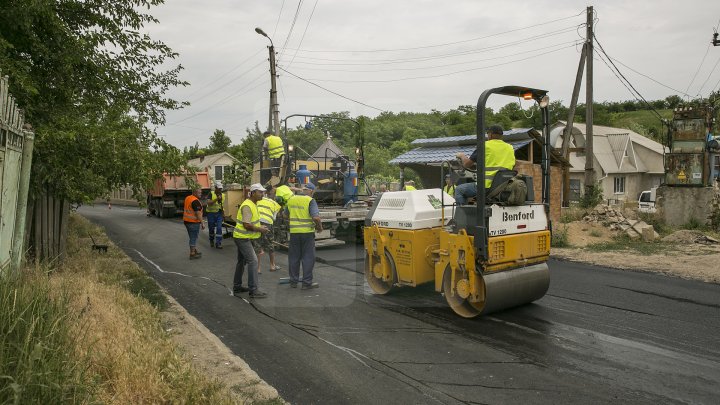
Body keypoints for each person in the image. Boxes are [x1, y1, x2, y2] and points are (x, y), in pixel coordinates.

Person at [454, 124, 515, 205]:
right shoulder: (510, 148)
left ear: (490, 134)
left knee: (459, 190)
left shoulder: (484, 146)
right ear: (501, 135)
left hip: (486, 187)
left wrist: (461, 156)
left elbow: (466, 164)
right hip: (504, 186)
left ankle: (463, 216)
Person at [232, 183, 269, 298]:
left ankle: (237, 286)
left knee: (241, 262)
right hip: (243, 238)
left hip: (243, 237)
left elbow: (251, 223)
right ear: (253, 193)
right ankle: (253, 290)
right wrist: (260, 229)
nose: (263, 194)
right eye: (260, 192)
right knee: (253, 261)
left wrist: (259, 227)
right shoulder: (247, 205)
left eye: (263, 192)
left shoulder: (253, 203)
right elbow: (247, 225)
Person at [286, 182, 322, 289]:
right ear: (310, 191)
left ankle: (293, 282)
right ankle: (306, 283)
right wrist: (319, 227)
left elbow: (284, 215)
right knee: (308, 258)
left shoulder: (291, 199)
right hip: (307, 233)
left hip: (294, 233)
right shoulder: (310, 200)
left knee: (294, 257)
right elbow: (316, 217)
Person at [256, 185, 282, 273]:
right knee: (270, 245)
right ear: (271, 193)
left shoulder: (259, 200)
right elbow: (274, 218)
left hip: (257, 223)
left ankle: (258, 268)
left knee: (258, 245)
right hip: (267, 224)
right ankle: (272, 266)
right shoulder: (275, 204)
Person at [183, 187, 205, 259]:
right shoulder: (195, 201)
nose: (201, 194)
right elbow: (198, 213)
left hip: (187, 221)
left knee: (192, 236)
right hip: (193, 222)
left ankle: (194, 250)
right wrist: (202, 223)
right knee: (193, 237)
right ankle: (192, 253)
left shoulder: (188, 198)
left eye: (201, 192)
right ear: (195, 193)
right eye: (199, 193)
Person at [206, 181, 225, 249]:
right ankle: (211, 239)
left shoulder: (223, 195)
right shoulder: (210, 193)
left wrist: (223, 214)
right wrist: (216, 199)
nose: (220, 190)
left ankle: (218, 243)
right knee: (211, 228)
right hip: (211, 213)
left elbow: (222, 205)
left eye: (221, 189)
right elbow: (208, 203)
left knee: (219, 228)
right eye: (219, 188)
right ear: (215, 188)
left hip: (219, 213)